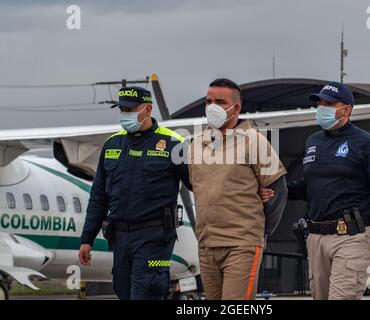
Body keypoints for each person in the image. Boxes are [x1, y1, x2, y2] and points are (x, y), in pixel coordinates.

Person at [263, 81, 370, 300]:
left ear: (346, 109)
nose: (322, 108)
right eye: (320, 103)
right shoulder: (313, 141)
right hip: (316, 237)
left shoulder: (367, 144)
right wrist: (277, 190)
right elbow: (309, 188)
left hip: (352, 236)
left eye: (329, 103)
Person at [78, 86, 191, 300]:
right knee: (123, 291)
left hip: (155, 238)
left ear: (147, 109)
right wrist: (87, 239)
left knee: (146, 291)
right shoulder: (112, 145)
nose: (125, 114)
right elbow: (99, 196)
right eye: (122, 109)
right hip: (120, 238)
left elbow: (200, 184)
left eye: (130, 109)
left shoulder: (173, 144)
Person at [188, 78, 288, 300]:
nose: (213, 107)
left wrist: (260, 232)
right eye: (209, 101)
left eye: (220, 102)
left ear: (236, 108)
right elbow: (196, 186)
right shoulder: (196, 144)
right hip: (206, 244)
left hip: (242, 243)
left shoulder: (255, 141)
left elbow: (278, 193)